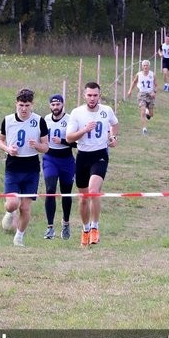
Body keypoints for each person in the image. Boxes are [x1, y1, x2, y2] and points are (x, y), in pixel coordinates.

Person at [65, 82, 119, 247]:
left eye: (95, 95)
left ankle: (95, 227)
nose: (92, 98)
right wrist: (84, 130)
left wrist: (112, 137)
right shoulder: (77, 113)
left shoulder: (106, 110)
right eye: (89, 95)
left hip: (100, 155)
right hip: (82, 157)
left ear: (99, 96)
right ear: (84, 95)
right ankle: (85, 228)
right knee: (83, 198)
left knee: (94, 192)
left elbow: (115, 125)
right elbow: (69, 138)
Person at [0, 88, 49, 246]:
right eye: (21, 105)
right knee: (13, 203)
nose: (24, 108)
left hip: (31, 167)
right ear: (16, 104)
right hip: (13, 166)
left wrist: (37, 146)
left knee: (25, 207)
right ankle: (8, 212)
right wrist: (8, 149)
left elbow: (46, 147)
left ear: (32, 105)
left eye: (27, 105)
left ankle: (19, 237)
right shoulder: (7, 120)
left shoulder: (39, 121)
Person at [42, 94, 76, 240]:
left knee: (66, 192)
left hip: (66, 159)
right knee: (50, 190)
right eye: (53, 105)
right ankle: (50, 227)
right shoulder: (45, 119)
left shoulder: (70, 120)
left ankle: (66, 223)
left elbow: (76, 143)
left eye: (58, 104)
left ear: (63, 105)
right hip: (50, 158)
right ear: (50, 106)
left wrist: (62, 140)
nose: (56, 107)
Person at [126, 59, 156, 135]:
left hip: (150, 95)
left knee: (151, 114)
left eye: (147, 65)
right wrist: (130, 91)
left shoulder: (152, 74)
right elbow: (134, 82)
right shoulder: (139, 74)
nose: (145, 67)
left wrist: (154, 92)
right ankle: (144, 129)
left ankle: (148, 113)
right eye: (144, 65)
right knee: (142, 111)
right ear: (142, 66)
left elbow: (156, 85)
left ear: (149, 66)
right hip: (141, 94)